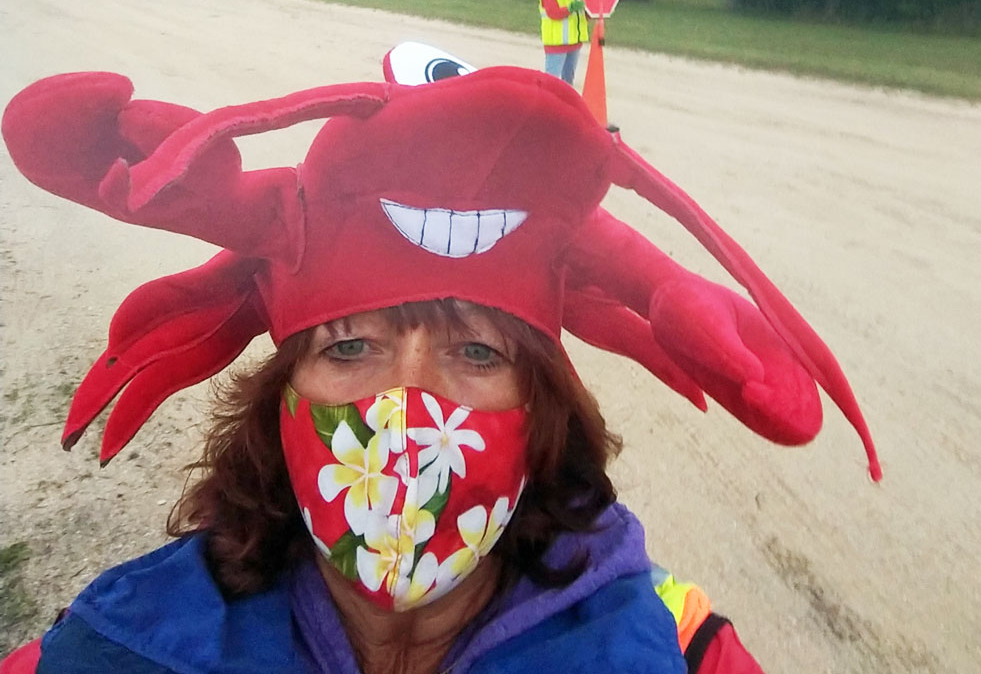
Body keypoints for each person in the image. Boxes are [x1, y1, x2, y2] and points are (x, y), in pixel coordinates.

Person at [0, 52, 881, 674]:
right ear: (280, 396)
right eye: (349, 346)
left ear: (543, 406)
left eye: (474, 351)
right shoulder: (124, 642)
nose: (407, 406)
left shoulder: (669, 648)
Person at [538, 0, 589, 85]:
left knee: (568, 84)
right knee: (551, 84)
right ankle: (546, 107)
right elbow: (552, 13)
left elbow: (582, 15)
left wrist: (592, 10)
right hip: (556, 44)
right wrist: (570, 8)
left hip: (575, 42)